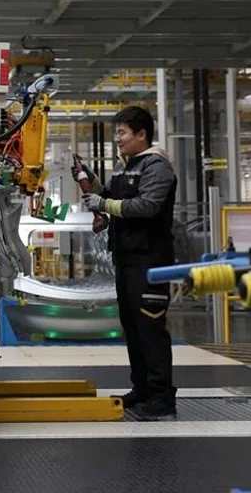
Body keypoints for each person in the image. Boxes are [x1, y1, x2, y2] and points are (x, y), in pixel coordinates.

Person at [74, 105, 178, 420]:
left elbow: (147, 206)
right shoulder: (126, 167)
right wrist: (91, 181)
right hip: (126, 258)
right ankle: (142, 388)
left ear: (141, 134)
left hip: (150, 260)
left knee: (150, 327)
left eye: (122, 133)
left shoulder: (156, 165)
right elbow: (112, 195)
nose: (117, 139)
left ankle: (162, 396)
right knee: (132, 327)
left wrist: (104, 203)